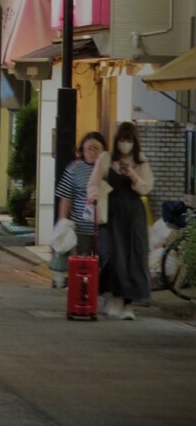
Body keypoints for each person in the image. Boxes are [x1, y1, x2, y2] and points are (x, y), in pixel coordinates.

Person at [87, 121, 154, 320]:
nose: (125, 144)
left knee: (135, 257)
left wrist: (132, 174)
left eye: (129, 140)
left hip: (134, 215)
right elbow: (94, 183)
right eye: (122, 140)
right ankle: (114, 299)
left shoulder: (141, 161)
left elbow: (146, 188)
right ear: (116, 141)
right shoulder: (106, 159)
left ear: (135, 142)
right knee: (114, 256)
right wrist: (94, 195)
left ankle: (127, 304)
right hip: (111, 215)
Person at [55, 131, 107, 255]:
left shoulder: (109, 169)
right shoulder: (74, 168)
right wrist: (63, 223)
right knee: (82, 264)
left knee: (105, 266)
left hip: (105, 229)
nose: (93, 152)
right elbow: (66, 198)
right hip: (81, 228)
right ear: (82, 150)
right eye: (89, 148)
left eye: (97, 148)